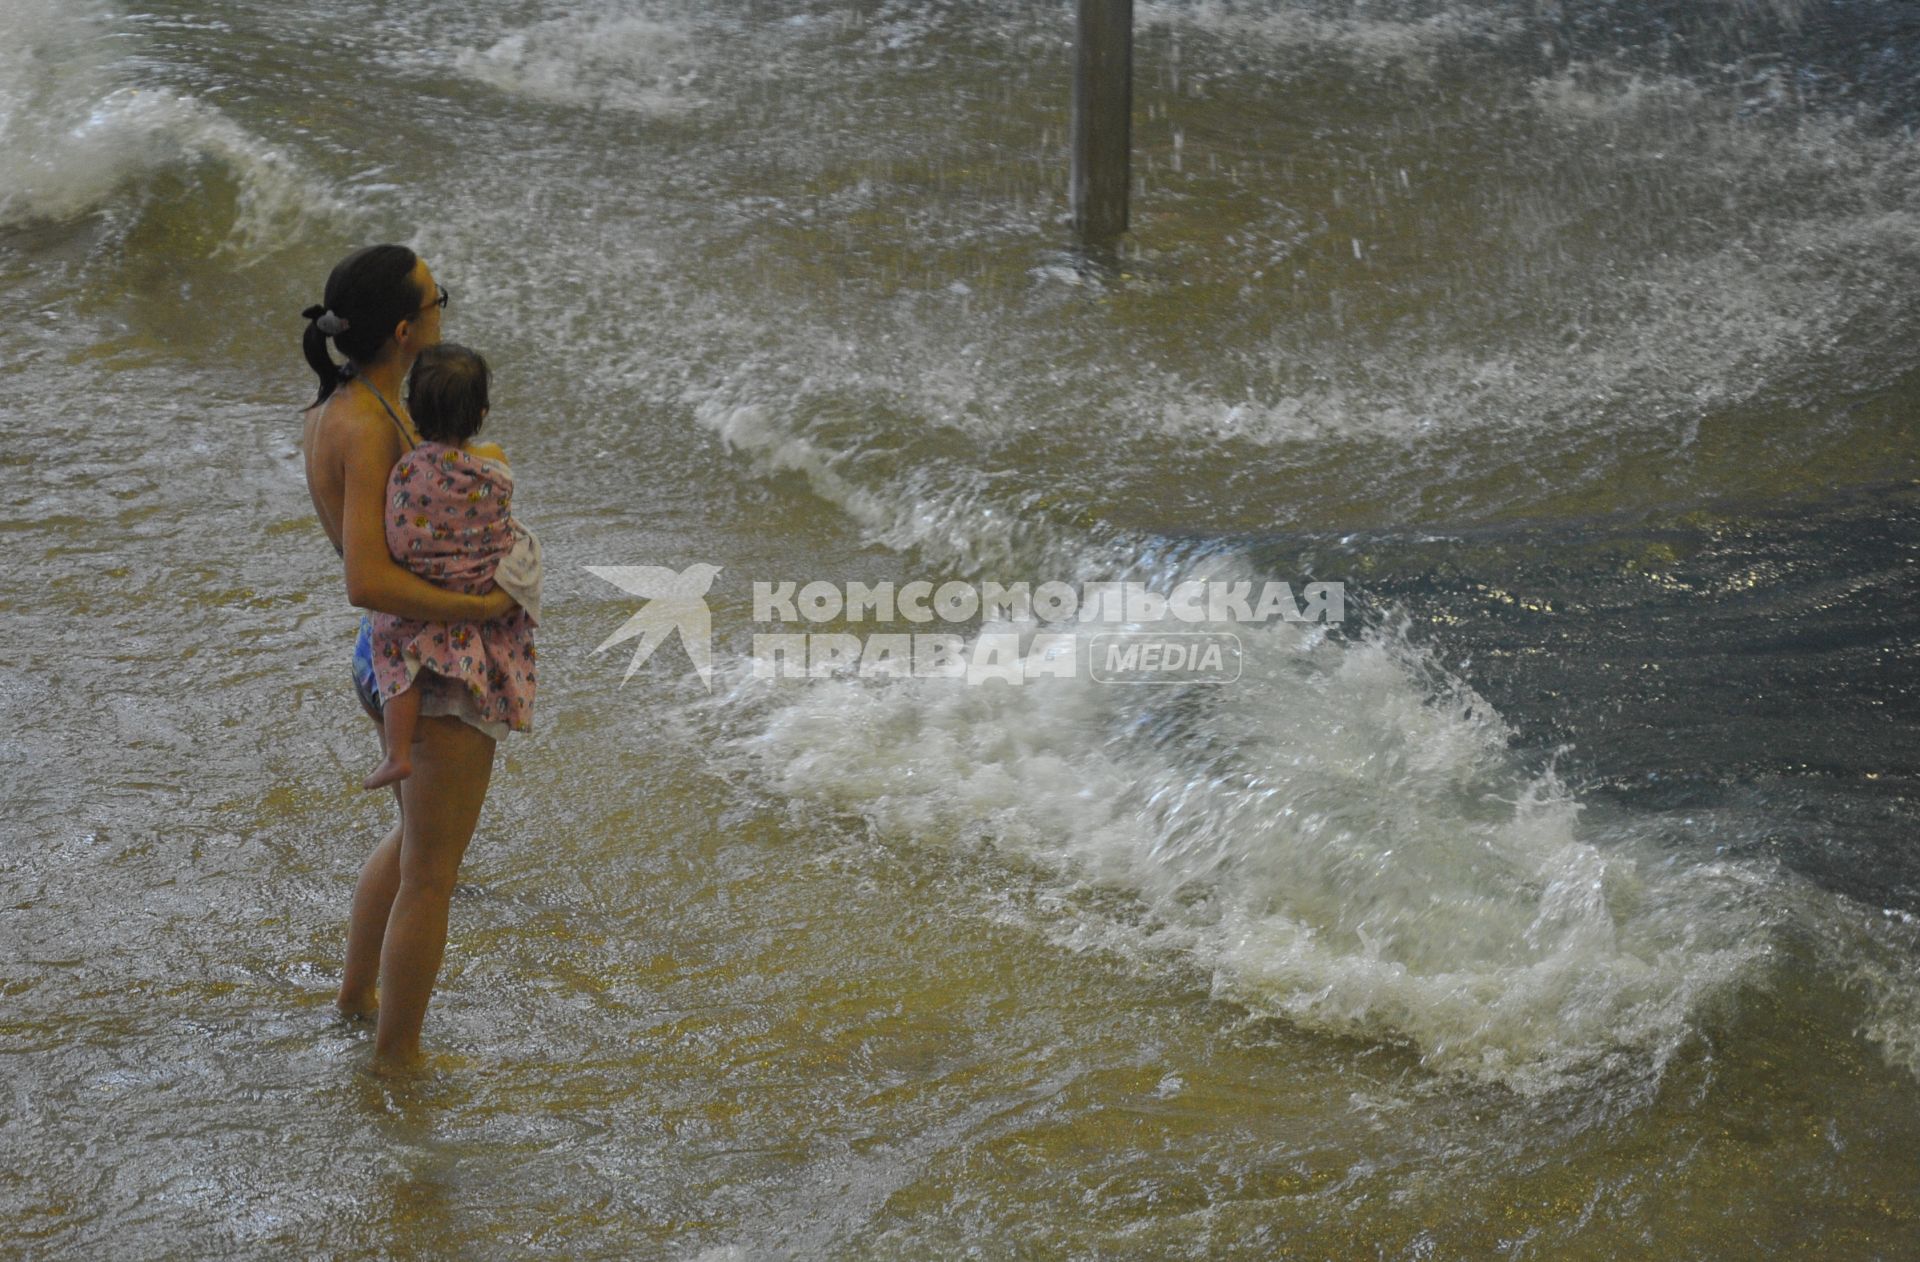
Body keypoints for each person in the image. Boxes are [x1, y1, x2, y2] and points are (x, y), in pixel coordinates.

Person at [298, 244, 517, 1069]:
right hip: (425, 668)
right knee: (433, 872)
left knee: (413, 842)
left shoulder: (346, 404)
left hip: (385, 662)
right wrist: (481, 607)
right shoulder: (363, 426)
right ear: (404, 329)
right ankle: (399, 1060)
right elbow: (367, 578)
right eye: (438, 301)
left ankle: (358, 995)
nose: (443, 312)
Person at [364, 343, 540, 791]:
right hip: (477, 583)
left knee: (395, 649)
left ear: (410, 409)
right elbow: (496, 513)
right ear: (481, 412)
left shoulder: (403, 469)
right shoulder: (493, 461)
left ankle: (397, 753)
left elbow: (401, 530)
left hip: (425, 589)